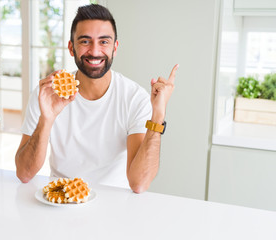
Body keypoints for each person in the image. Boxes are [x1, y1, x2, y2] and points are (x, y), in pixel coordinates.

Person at [15, 4, 178, 193]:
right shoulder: (47, 95)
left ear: (115, 48)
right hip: (62, 201)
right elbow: (24, 173)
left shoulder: (134, 98)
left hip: (115, 205)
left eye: (104, 42)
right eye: (85, 41)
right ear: (71, 47)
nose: (94, 51)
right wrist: (47, 119)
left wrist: (157, 116)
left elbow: (139, 183)